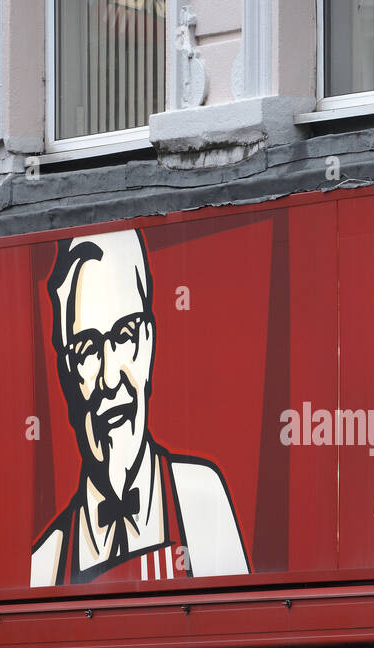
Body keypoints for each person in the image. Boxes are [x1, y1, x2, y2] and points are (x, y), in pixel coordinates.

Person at [30, 228, 249, 587]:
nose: (110, 377)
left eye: (124, 336)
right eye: (87, 348)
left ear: (148, 344)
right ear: (67, 373)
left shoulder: (201, 499)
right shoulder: (46, 563)